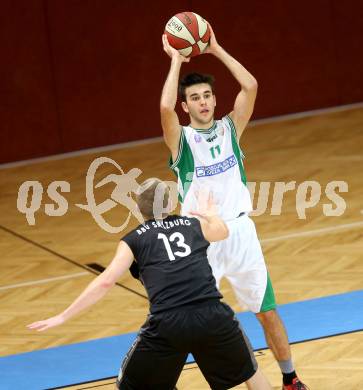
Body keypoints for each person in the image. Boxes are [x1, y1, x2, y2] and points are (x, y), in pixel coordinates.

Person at [160, 25, 307, 390]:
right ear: (186, 105)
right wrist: (177, 60)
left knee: (267, 312)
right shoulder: (182, 140)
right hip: (201, 241)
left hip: (241, 233)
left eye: (208, 95)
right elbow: (163, 106)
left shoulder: (230, 129)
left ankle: (290, 378)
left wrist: (216, 48)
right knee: (200, 321)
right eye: (195, 97)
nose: (204, 102)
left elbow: (251, 86)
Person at [27, 178, 272, 390]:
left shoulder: (133, 240)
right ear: (170, 203)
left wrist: (63, 316)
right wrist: (211, 215)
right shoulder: (192, 225)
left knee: (131, 384)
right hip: (212, 315)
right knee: (251, 372)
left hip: (167, 323)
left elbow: (105, 282)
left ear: (138, 207)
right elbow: (221, 232)